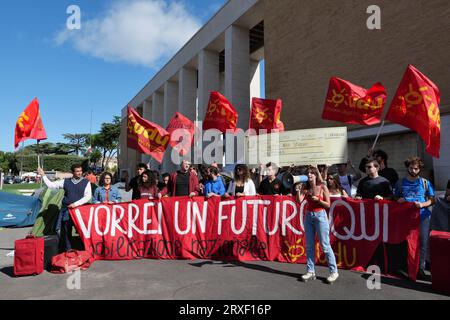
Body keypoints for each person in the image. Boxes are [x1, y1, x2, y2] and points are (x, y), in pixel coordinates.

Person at [296, 166, 339, 284]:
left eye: (312, 173)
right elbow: (299, 201)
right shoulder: (305, 187)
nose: (309, 175)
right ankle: (311, 271)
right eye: (308, 173)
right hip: (309, 216)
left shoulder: (322, 187)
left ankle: (333, 272)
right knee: (309, 245)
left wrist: (318, 201)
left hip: (320, 216)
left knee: (325, 245)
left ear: (316, 175)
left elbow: (328, 204)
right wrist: (298, 190)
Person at [394, 157, 435, 279]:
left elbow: (432, 199)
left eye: (416, 168)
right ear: (407, 167)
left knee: (423, 243)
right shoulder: (400, 183)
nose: (413, 170)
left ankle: (420, 268)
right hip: (406, 218)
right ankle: (408, 267)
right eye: (411, 168)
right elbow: (395, 197)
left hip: (423, 217)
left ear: (419, 169)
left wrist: (422, 204)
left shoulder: (425, 183)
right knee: (407, 242)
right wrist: (398, 200)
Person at [38, 164, 92, 251]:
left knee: (82, 231)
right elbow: (51, 185)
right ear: (72, 172)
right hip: (66, 210)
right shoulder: (65, 181)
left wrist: (75, 204)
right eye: (77, 171)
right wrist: (43, 175)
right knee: (66, 231)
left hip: (79, 211)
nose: (79, 173)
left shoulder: (86, 182)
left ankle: (84, 249)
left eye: (80, 171)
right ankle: (68, 249)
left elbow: (87, 196)